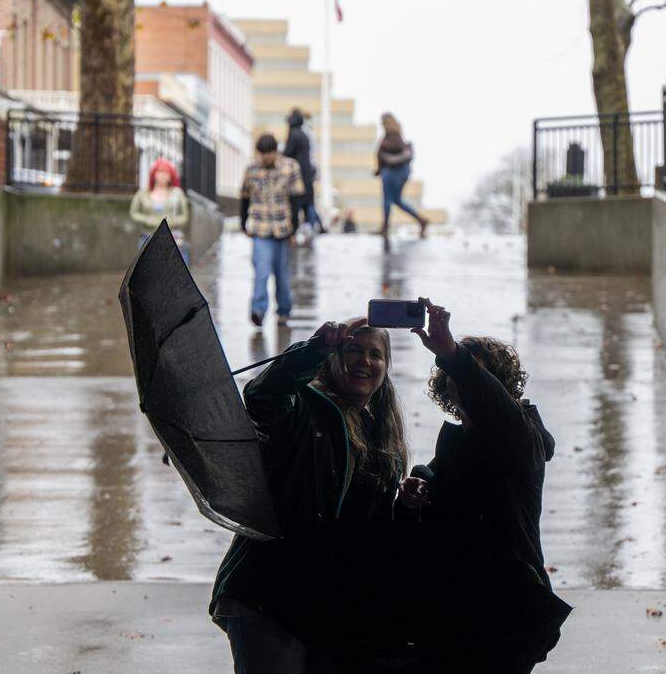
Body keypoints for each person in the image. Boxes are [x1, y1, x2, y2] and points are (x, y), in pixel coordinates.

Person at [210, 317, 409, 673]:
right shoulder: (302, 408)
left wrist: (413, 492)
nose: (365, 361)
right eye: (353, 350)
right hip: (269, 595)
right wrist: (312, 350)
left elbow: (370, 524)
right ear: (333, 358)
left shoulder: (382, 436)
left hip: (329, 604)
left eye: (375, 354)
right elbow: (262, 395)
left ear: (386, 367)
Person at [397, 298, 571, 671]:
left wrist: (453, 355)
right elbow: (441, 484)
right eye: (455, 378)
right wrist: (419, 483)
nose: (462, 385)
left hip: (503, 609)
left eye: (473, 377)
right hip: (456, 607)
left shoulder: (519, 436)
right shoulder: (459, 440)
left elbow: (493, 405)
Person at [241, 134, 306, 328]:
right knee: (261, 270)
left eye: (269, 153)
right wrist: (244, 223)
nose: (266, 158)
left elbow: (296, 198)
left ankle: (284, 311)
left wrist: (294, 229)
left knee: (282, 273)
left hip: (283, 227)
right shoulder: (252, 169)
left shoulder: (290, 166)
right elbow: (244, 196)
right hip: (260, 227)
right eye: (263, 154)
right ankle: (258, 310)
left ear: (275, 150)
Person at [375, 113, 429, 240]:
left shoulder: (391, 135)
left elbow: (387, 152)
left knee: (387, 200)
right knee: (397, 200)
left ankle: (385, 227)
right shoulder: (397, 133)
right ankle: (421, 220)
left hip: (391, 171)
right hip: (401, 172)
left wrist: (383, 158)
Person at [129, 157, 190, 258]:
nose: (162, 175)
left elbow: (185, 216)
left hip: (172, 238)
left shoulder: (177, 193)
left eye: (166, 172)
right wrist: (148, 220)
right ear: (154, 174)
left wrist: (170, 222)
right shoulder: (142, 194)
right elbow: (133, 213)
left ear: (171, 176)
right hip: (147, 237)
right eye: (160, 172)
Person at [282, 108, 324, 233]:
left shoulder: (294, 134)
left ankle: (301, 229)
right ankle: (313, 227)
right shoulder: (304, 133)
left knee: (297, 204)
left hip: (298, 174)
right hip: (307, 173)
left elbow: (288, 153)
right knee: (308, 204)